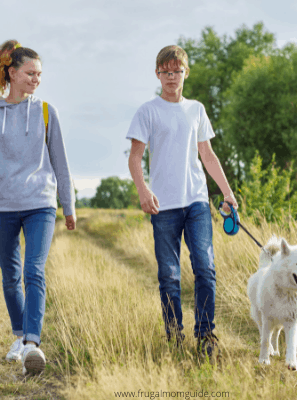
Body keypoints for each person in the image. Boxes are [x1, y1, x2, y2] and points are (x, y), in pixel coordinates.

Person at [126, 45, 238, 361]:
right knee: (169, 275)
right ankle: (175, 339)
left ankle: (206, 337)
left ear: (185, 73)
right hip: (163, 206)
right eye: (165, 72)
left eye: (176, 71)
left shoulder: (196, 110)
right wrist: (143, 191)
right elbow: (135, 158)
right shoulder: (147, 111)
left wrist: (227, 192)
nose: (171, 77)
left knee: (205, 267)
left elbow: (207, 154)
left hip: (197, 201)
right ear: (158, 74)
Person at [0, 39, 77, 375]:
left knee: (34, 270)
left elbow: (60, 161)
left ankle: (32, 344)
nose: (36, 79)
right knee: (10, 275)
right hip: (2, 204)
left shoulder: (47, 111)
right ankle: (19, 335)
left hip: (39, 204)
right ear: (12, 73)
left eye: (40, 74)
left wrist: (68, 205)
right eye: (30, 73)